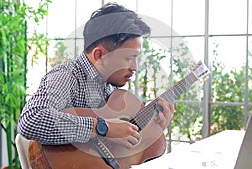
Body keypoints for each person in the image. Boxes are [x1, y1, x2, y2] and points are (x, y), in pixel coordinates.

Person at [17, 2, 174, 163]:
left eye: (136, 58)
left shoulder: (110, 86)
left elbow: (117, 150)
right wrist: (103, 128)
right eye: (128, 58)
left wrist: (152, 131)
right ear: (99, 55)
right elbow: (31, 120)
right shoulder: (66, 76)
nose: (134, 67)